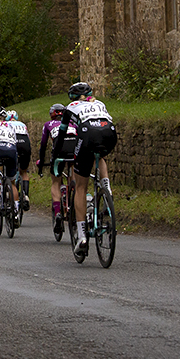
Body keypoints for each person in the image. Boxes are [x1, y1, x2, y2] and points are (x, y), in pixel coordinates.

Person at [51, 82, 117, 256]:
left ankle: (81, 237)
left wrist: (55, 157)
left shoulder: (70, 108)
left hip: (88, 134)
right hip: (109, 132)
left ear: (71, 97)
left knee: (80, 187)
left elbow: (62, 135)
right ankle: (106, 188)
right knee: (100, 155)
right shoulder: (99, 103)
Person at [37, 103, 77, 234]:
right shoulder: (73, 123)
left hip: (60, 149)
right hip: (75, 146)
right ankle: (74, 193)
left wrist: (42, 162)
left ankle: (58, 211)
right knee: (74, 174)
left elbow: (43, 145)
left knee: (56, 181)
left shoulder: (49, 124)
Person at [7, 110, 32, 211]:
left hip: (14, 143)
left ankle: (12, 195)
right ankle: (26, 194)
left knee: (10, 170)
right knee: (24, 171)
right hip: (25, 144)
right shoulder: (22, 124)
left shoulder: (6, 124)